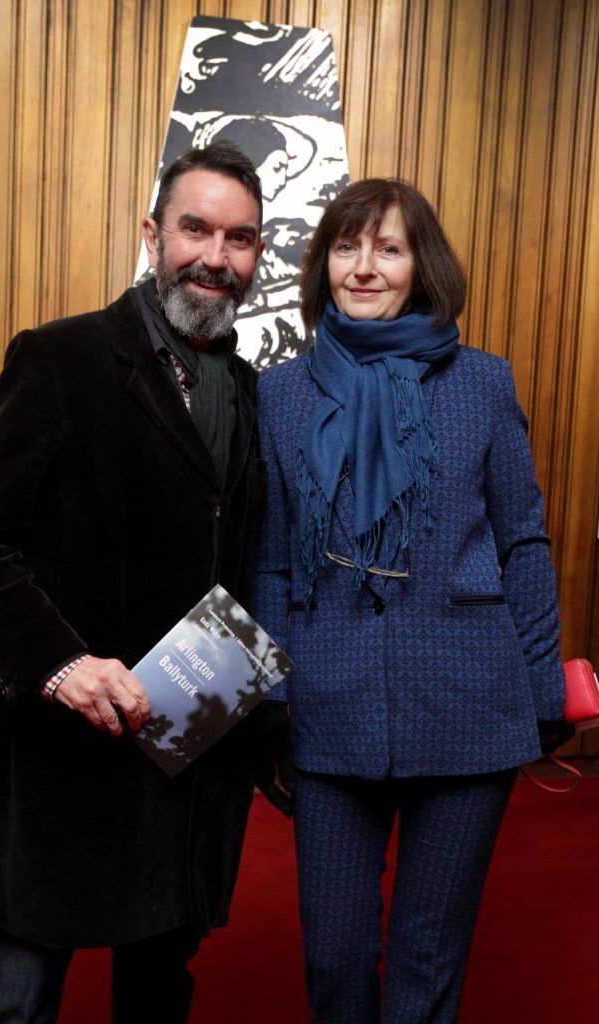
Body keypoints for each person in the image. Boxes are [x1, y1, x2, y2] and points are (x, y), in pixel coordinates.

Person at [0, 141, 292, 1024]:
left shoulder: (250, 392)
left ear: (258, 257)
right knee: (13, 999)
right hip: (70, 749)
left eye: (241, 239)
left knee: (158, 993)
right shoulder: (61, 360)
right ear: (152, 235)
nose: (216, 257)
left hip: (188, 762)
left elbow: (244, 566)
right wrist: (60, 665)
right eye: (196, 229)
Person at [254, 178, 573, 1023]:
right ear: (324, 263)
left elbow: (524, 543)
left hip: (469, 700)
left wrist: (543, 690)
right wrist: (272, 702)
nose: (364, 267)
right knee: (334, 957)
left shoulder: (484, 382)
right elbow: (274, 563)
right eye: (346, 247)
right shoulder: (279, 394)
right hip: (326, 709)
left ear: (418, 264)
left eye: (388, 248)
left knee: (427, 967)